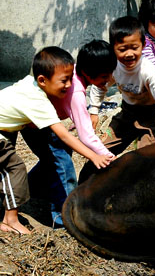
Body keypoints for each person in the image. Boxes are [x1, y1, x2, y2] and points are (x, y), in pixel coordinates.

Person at [0, 47, 113, 234]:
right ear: (42, 80)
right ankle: (10, 220)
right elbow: (64, 135)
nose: (69, 84)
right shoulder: (38, 102)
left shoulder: (31, 84)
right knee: (14, 169)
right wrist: (94, 156)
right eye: (64, 80)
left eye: (71, 79)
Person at [21, 40, 115, 228]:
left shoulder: (76, 78)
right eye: (104, 76)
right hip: (34, 127)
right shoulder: (76, 92)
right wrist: (107, 156)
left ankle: (28, 190)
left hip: (39, 125)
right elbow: (86, 135)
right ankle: (63, 218)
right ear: (88, 73)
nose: (108, 79)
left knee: (54, 159)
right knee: (63, 166)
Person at [81, 16, 155, 183]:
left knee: (146, 159)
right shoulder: (113, 67)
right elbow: (100, 86)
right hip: (127, 114)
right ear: (113, 48)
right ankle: (86, 187)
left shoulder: (147, 71)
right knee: (99, 150)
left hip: (152, 117)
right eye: (122, 49)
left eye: (134, 47)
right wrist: (93, 111)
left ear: (143, 44)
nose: (129, 54)